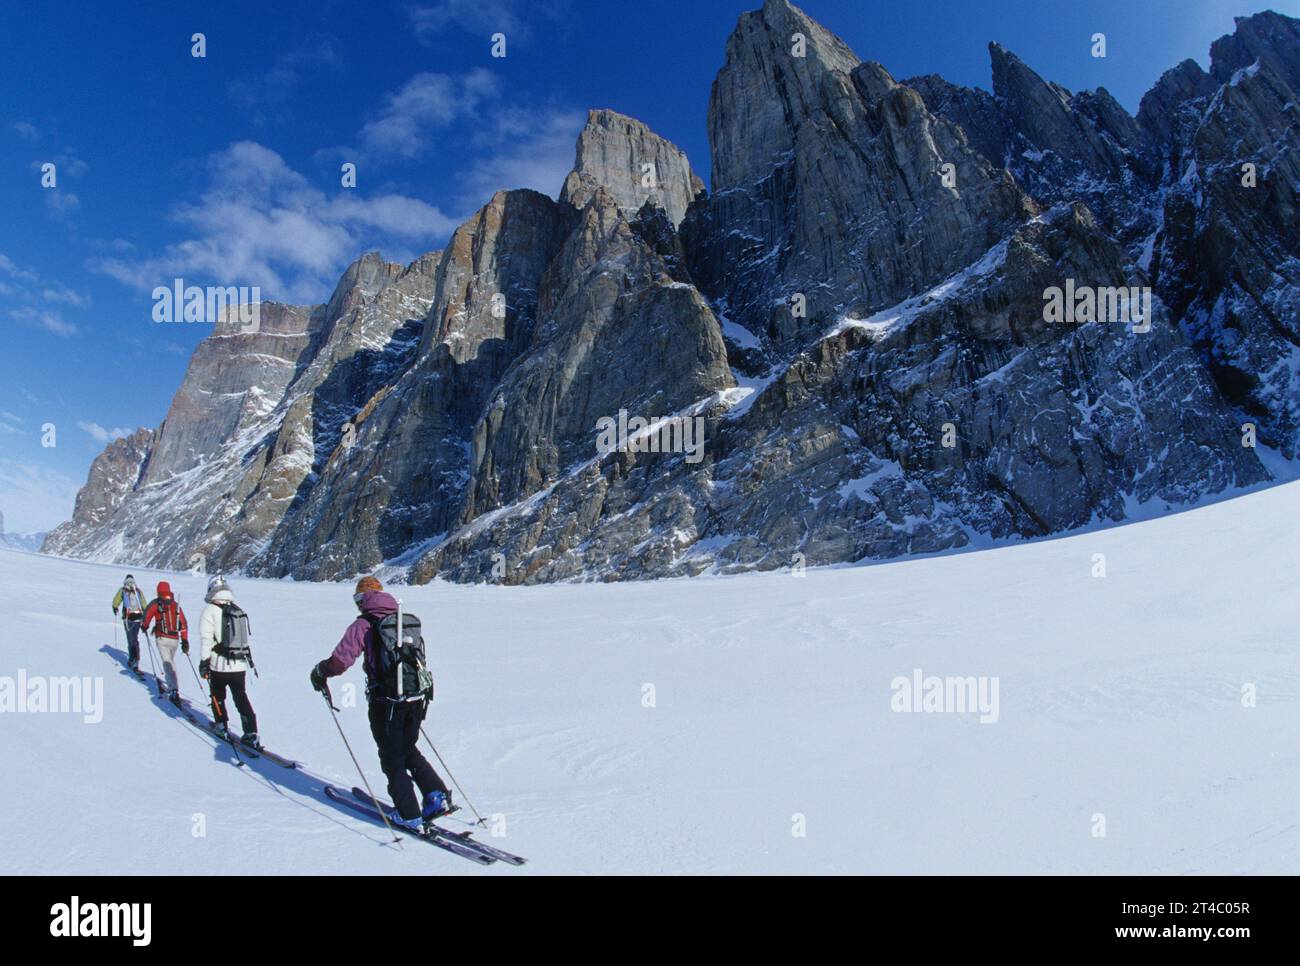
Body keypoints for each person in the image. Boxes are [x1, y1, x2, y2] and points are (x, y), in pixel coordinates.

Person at [310, 576, 451, 831]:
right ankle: (436, 795)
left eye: (357, 599)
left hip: (386, 702)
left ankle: (408, 814)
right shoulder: (403, 621)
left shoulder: (364, 624)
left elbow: (341, 662)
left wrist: (320, 671)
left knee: (391, 756)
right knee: (408, 749)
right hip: (415, 698)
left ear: (362, 599)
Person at [198, 575, 260, 748]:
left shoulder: (210, 610)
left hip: (219, 665)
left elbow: (206, 640)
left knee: (217, 696)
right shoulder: (236, 609)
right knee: (241, 697)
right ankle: (251, 733)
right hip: (239, 665)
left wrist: (204, 662)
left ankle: (221, 726)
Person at [141, 581, 188, 706]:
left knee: (167, 663)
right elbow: (183, 623)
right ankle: (174, 686)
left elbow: (147, 616)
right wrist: (185, 640)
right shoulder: (175, 604)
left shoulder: (157, 603)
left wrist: (144, 627)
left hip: (162, 638)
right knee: (171, 662)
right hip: (175, 639)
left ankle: (173, 690)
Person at [111, 574, 147, 671]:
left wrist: (115, 608)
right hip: (138, 618)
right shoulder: (138, 591)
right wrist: (146, 616)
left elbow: (115, 601)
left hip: (128, 618)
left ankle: (132, 659)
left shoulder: (123, 590)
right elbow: (144, 604)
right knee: (135, 638)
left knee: (131, 639)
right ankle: (136, 659)